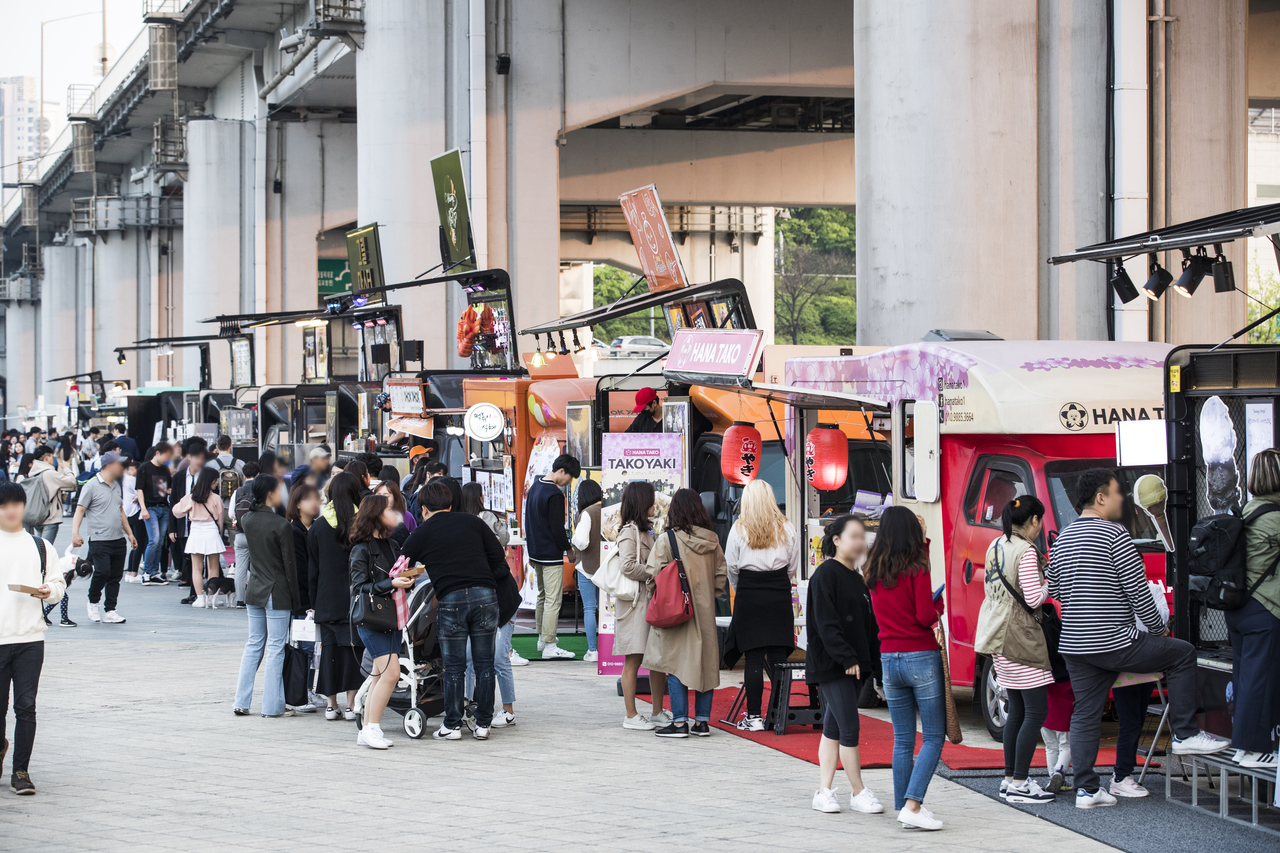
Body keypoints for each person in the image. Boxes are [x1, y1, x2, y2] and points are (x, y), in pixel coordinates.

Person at [1048, 468, 1230, 811]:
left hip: (1074, 644)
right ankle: (1186, 733)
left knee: (1085, 713)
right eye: (1118, 493)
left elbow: (1054, 588)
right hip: (1115, 640)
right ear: (1101, 498)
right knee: (1182, 654)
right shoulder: (1116, 536)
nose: (1122, 500)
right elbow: (1139, 594)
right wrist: (1160, 630)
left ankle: (1087, 789)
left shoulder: (1063, 539)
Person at [400, 480, 508, 741]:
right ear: (450, 504)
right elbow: (497, 557)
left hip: (450, 599)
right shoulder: (474, 522)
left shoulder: (422, 532)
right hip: (485, 596)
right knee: (484, 664)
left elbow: (403, 564)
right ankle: (483, 724)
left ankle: (452, 725)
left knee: (453, 666)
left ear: (423, 508)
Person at [865, 506, 945, 831]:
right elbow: (925, 615)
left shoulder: (872, 571)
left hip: (889, 658)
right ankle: (913, 805)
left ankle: (903, 806)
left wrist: (922, 543)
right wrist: (938, 605)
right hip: (920, 656)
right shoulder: (916, 568)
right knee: (934, 736)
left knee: (902, 739)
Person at [974, 496, 1056, 805]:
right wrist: (1052, 584)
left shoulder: (995, 545)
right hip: (1019, 637)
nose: (1040, 527)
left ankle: (1010, 779)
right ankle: (1020, 783)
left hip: (996, 635)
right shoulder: (1026, 551)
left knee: (1018, 710)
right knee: (1036, 711)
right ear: (1033, 521)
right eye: (1040, 522)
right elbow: (1034, 598)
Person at [806, 514, 883, 815]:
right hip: (833, 664)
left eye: (862, 536)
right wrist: (848, 657)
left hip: (854, 665)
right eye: (853, 535)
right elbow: (826, 625)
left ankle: (824, 791)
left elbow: (868, 626)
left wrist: (873, 666)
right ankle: (858, 791)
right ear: (836, 540)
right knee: (849, 727)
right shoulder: (825, 575)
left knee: (834, 727)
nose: (860, 542)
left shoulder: (858, 578)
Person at [643, 488, 727, 738]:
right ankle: (702, 722)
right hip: (704, 612)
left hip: (676, 612)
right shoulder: (713, 540)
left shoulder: (668, 539)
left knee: (675, 664)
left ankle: (679, 723)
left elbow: (653, 573)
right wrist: (706, 597)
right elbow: (721, 576)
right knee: (706, 663)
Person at [0, 481, 65, 795]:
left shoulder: (40, 546)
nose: (11, 510)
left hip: (30, 639)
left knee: (26, 707)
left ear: (23, 507)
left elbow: (58, 584)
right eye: (4, 505)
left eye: (16, 504)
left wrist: (49, 591)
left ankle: (21, 771)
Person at [723, 478, 798, 731]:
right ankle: (778, 714)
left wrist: (741, 588)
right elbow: (793, 567)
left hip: (749, 592)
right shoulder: (787, 528)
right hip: (779, 593)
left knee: (753, 657)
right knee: (778, 657)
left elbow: (731, 567)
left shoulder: (738, 529)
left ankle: (754, 716)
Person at [349, 494, 413, 748]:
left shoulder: (393, 544)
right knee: (391, 673)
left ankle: (368, 728)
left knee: (380, 674)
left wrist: (406, 580)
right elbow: (359, 586)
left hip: (393, 616)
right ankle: (372, 728)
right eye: (387, 510)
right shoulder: (361, 548)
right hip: (371, 618)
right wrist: (391, 584)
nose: (393, 514)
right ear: (375, 514)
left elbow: (396, 575)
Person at [1230, 449, 1280, 769]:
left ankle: (1244, 745)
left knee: (1246, 678)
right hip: (1265, 608)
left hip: (1238, 608)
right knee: (1259, 681)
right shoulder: (1276, 517)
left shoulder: (1246, 510)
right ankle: (1251, 749)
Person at [233, 476, 299, 718]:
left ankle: (241, 701)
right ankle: (272, 707)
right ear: (270, 494)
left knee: (254, 644)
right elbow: (289, 566)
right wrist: (297, 598)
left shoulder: (247, 519)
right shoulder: (281, 525)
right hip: (277, 590)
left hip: (255, 589)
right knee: (275, 648)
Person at [308, 473, 366, 721]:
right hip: (356, 600)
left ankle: (331, 705)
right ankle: (353, 704)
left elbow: (312, 570)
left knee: (329, 651)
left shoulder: (318, 526)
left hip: (326, 599)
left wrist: (313, 603)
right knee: (353, 651)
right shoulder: (361, 525)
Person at [460, 481, 517, 728]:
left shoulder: (487, 551)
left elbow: (501, 568)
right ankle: (470, 704)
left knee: (498, 659)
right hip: (483, 609)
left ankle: (508, 710)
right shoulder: (477, 523)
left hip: (504, 607)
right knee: (471, 658)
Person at [615, 480, 669, 730]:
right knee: (634, 659)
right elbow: (626, 566)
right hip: (636, 604)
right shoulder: (630, 532)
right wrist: (652, 572)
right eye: (650, 499)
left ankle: (657, 711)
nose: (654, 504)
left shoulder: (644, 531)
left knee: (656, 659)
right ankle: (631, 715)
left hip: (648, 602)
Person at [71, 451, 137, 625]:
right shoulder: (91, 486)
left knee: (115, 576)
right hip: (99, 538)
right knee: (102, 571)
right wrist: (75, 533)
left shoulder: (116, 485)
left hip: (118, 539)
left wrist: (129, 533)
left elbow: (120, 511)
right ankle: (93, 602)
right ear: (109, 466)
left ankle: (110, 610)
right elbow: (80, 509)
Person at [525, 453, 580, 660]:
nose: (568, 483)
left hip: (536, 552)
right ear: (561, 472)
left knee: (542, 596)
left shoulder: (535, 486)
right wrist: (568, 549)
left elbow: (528, 521)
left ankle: (542, 638)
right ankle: (549, 644)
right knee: (553, 600)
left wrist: (530, 550)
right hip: (550, 554)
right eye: (569, 478)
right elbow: (558, 529)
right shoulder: (555, 495)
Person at [172, 467, 226, 609]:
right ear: (211, 480)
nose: (217, 483)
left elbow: (176, 511)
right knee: (213, 567)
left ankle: (200, 598)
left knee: (197, 568)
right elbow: (220, 521)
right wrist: (219, 534)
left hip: (196, 530)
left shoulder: (191, 497)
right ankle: (211, 598)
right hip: (211, 530)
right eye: (216, 480)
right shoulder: (215, 498)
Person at [569, 479, 603, 663]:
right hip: (606, 568)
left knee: (589, 608)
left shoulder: (587, 513)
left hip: (587, 568)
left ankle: (592, 650)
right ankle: (609, 648)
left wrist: (573, 539)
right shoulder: (608, 510)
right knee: (607, 609)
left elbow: (582, 541)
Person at [168, 443, 208, 596]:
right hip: (183, 523)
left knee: (199, 559)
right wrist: (171, 528)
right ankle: (193, 592)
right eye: (196, 458)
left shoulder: (205, 476)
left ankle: (196, 592)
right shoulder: (179, 477)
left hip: (201, 523)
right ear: (189, 458)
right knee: (188, 558)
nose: (199, 461)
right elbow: (174, 502)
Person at [137, 442, 174, 586]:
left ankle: (154, 573)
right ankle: (147, 572)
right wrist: (143, 508)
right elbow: (139, 489)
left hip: (164, 507)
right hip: (150, 508)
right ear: (157, 453)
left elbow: (167, 489)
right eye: (166, 456)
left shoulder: (165, 469)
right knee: (154, 540)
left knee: (159, 542)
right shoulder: (144, 468)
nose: (166, 459)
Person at [23, 445, 76, 542]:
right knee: (46, 550)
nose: (53, 460)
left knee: (40, 548)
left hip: (38, 516)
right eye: (52, 457)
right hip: (50, 518)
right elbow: (72, 481)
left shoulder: (33, 473)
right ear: (47, 458)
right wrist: (67, 468)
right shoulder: (49, 473)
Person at [230, 461, 263, 608]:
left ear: (243, 475)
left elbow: (231, 513)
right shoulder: (260, 490)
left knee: (240, 568)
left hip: (240, 534)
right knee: (258, 566)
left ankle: (240, 600)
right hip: (257, 534)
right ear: (258, 474)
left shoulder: (238, 491)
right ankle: (257, 597)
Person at [122, 459, 149, 584]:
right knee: (140, 543)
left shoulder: (123, 479)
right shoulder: (132, 480)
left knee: (134, 543)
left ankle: (130, 572)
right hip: (136, 513)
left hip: (128, 514)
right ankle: (133, 572)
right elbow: (139, 494)